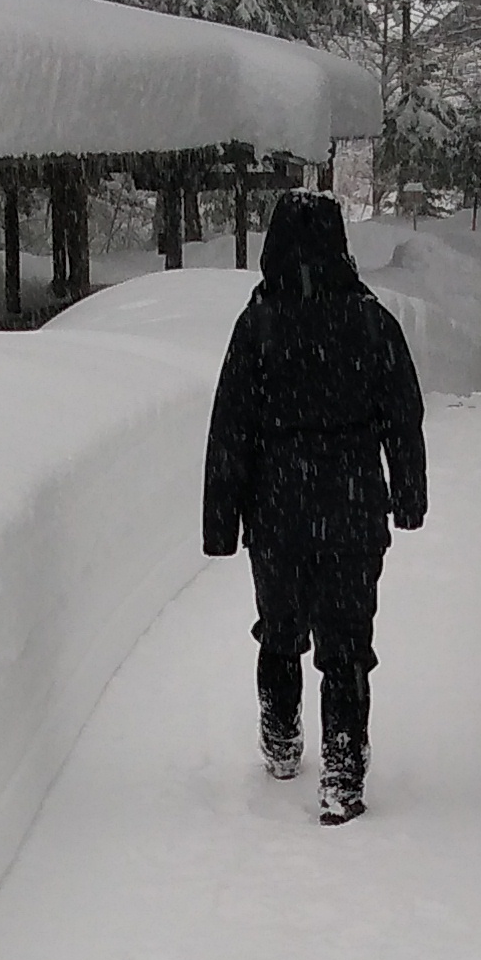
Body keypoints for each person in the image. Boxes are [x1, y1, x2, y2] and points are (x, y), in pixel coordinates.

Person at [202, 189, 428, 824]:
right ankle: (342, 770)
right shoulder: (370, 322)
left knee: (280, 630)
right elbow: (403, 417)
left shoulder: (258, 326)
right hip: (353, 506)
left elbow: (231, 429)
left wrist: (223, 522)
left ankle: (280, 740)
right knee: (347, 643)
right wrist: (407, 495)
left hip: (276, 510)